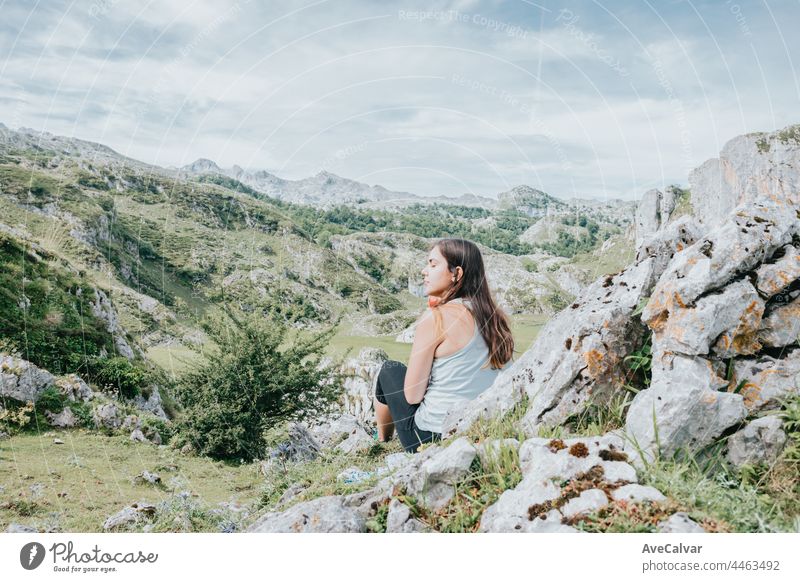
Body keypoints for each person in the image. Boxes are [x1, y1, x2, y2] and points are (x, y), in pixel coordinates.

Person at [372, 238, 515, 453]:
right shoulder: (495, 318)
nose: (424, 271)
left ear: (456, 274)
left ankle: (382, 440)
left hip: (430, 437)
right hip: (483, 430)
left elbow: (412, 396)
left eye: (432, 264)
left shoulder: (436, 318)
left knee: (389, 370)